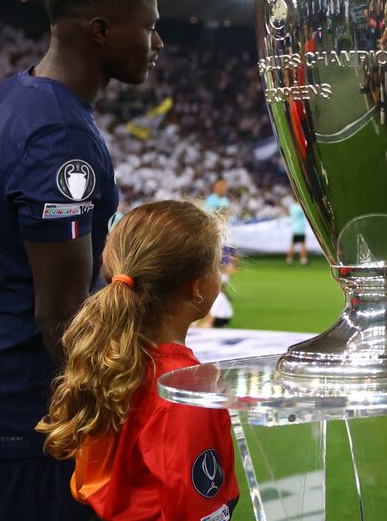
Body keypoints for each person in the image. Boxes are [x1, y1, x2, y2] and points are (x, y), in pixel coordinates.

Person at [0, 0, 162, 520]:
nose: (158, 43)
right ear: (101, 31)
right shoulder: (58, 133)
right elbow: (59, 317)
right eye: (149, 26)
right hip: (25, 414)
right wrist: (125, 403)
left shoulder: (3, 99)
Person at [36, 200, 239, 519]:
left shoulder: (108, 359)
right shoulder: (185, 389)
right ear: (197, 288)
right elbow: (201, 509)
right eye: (216, 264)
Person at [202, 177, 236, 326]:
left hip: (225, 239)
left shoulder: (225, 201)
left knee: (225, 269)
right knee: (215, 270)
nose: (224, 187)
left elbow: (226, 219)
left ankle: (219, 298)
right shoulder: (211, 201)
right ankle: (213, 305)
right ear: (215, 186)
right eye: (221, 185)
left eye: (225, 185)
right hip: (216, 239)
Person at [286, 197, 309, 266]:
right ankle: (303, 260)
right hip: (301, 228)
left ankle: (289, 259)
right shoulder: (301, 207)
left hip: (294, 228)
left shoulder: (292, 207)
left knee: (292, 245)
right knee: (303, 245)